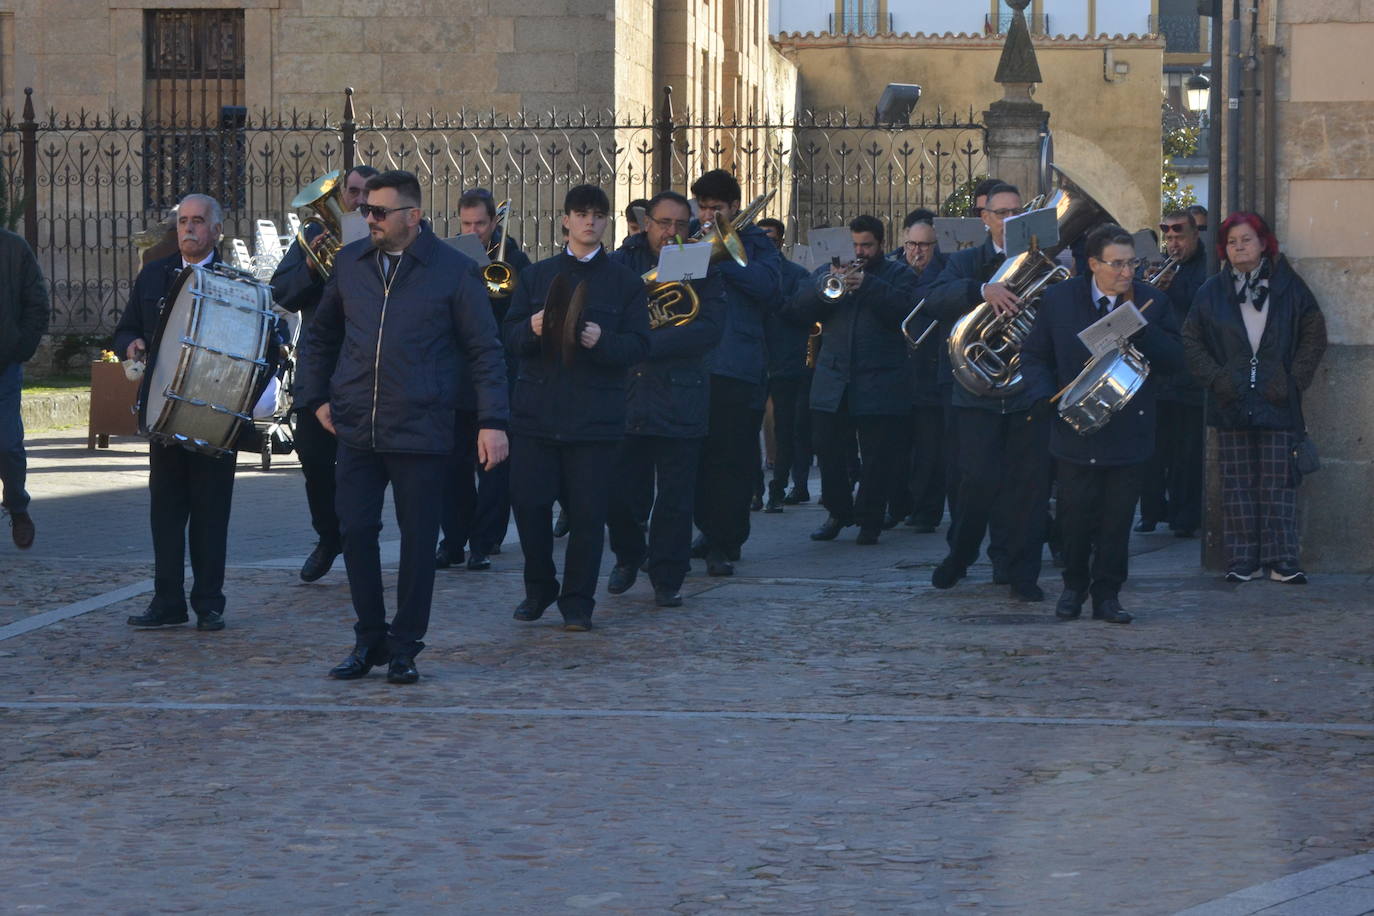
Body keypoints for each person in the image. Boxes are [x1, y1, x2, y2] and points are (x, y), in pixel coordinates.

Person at [297, 169, 509, 684]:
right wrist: (315, 395)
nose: (367, 219)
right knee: (356, 531)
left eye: (378, 212)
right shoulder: (350, 263)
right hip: (357, 426)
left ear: (411, 217)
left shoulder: (455, 271)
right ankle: (368, 637)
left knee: (418, 540)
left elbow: (484, 350)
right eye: (365, 210)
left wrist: (492, 421)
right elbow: (320, 336)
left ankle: (405, 645)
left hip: (422, 425)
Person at [1021, 224, 1186, 624]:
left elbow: (1177, 360)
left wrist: (1141, 331)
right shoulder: (1061, 299)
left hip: (1129, 427)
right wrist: (1044, 396)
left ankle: (1108, 595)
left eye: (1132, 263)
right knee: (1074, 518)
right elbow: (1034, 355)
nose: (1127, 272)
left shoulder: (1152, 301)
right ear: (1093, 264)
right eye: (1117, 264)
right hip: (1074, 428)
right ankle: (1074, 586)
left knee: (1117, 520)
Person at [504, 184, 650, 631]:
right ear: (566, 220)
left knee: (588, 516)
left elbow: (641, 344)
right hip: (536, 412)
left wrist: (603, 341)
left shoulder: (624, 281)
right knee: (529, 509)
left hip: (595, 418)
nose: (590, 221)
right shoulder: (536, 275)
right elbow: (507, 338)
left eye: (598, 214)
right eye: (581, 213)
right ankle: (539, 586)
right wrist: (529, 329)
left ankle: (578, 602)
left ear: (606, 222)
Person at [116, 194, 243, 631]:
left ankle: (209, 603)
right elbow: (126, 327)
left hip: (215, 415)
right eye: (183, 222)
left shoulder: (237, 282)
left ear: (217, 230)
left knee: (211, 514)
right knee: (166, 514)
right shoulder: (154, 274)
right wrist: (129, 345)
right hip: (165, 414)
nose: (188, 229)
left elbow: (266, 339)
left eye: (198, 222)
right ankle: (167, 602)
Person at [1182, 211, 1327, 584]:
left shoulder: (1289, 287)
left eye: (1246, 240)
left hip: (1276, 398)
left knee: (1279, 482)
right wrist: (1217, 380)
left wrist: (1293, 380)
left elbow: (1314, 332)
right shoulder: (1211, 291)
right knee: (1237, 482)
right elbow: (1191, 339)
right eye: (1232, 242)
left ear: (1264, 243)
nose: (1239, 247)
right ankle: (1242, 560)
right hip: (1231, 399)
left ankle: (1282, 560)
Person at [922, 183, 1050, 602]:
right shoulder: (963, 261)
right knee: (975, 481)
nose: (1010, 218)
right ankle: (959, 557)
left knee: (1027, 486)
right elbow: (929, 297)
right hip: (975, 390)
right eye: (1001, 212)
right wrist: (982, 291)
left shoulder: (1043, 261)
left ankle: (1021, 572)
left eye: (1017, 210)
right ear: (986, 218)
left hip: (1025, 389)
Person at [606, 191, 725, 606]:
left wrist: (647, 342)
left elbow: (709, 327)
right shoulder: (621, 263)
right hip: (627, 394)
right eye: (663, 223)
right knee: (619, 493)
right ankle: (627, 555)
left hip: (681, 393)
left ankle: (667, 579)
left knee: (675, 499)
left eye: (680, 224)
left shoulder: (702, 265)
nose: (671, 232)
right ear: (647, 222)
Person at [271, 164, 378, 583]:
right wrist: (313, 269)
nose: (357, 201)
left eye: (367, 194)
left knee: (362, 465)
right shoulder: (315, 237)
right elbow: (282, 292)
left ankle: (356, 540)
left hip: (368, 370)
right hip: (320, 367)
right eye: (352, 192)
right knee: (314, 460)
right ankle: (328, 537)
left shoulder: (387, 238)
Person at [787, 215, 918, 545]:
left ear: (881, 245)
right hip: (833, 377)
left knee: (877, 457)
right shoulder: (827, 272)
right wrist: (824, 287)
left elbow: (906, 310)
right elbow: (798, 310)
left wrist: (869, 286)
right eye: (855, 245)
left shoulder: (898, 273)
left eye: (867, 245)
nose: (859, 252)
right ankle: (837, 511)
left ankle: (870, 520)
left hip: (879, 378)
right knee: (827, 449)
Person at [434, 187, 533, 572]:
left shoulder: (516, 260)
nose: (474, 231)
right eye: (467, 224)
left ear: (494, 222)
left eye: (481, 223)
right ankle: (453, 540)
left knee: (493, 467)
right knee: (452, 466)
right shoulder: (451, 259)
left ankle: (484, 540)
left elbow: (519, 313)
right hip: (456, 375)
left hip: (496, 374)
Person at [689, 169, 781, 576]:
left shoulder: (758, 242)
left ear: (734, 207)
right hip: (695, 361)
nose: (708, 215)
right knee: (696, 458)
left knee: (733, 460)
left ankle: (726, 542)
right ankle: (708, 531)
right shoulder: (687, 235)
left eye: (717, 207)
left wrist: (719, 257)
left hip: (739, 365)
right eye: (703, 207)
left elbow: (770, 288)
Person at [1135, 209, 1208, 537]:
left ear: (1195, 235)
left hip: (1192, 371)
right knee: (1153, 449)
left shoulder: (1207, 267)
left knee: (1188, 453)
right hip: (1160, 370)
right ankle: (1150, 512)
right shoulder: (1160, 264)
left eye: (1180, 236)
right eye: (1169, 237)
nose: (1173, 244)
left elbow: (1202, 307)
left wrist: (1170, 289)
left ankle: (1184, 518)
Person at [895, 208, 948, 532]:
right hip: (899, 374)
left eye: (924, 245)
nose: (917, 251)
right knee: (901, 449)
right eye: (912, 244)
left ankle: (927, 510)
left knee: (931, 450)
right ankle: (902, 504)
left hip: (931, 372)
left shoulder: (945, 273)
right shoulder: (893, 268)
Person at [758, 217, 813, 512]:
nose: (767, 243)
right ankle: (755, 490)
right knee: (747, 428)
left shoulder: (797, 274)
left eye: (772, 239)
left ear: (781, 242)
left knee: (785, 428)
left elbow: (802, 311)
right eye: (761, 238)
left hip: (786, 360)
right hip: (756, 358)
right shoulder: (749, 272)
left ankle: (778, 488)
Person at [0, 226, 50, 549]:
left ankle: (17, 507)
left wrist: (19, 346)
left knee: (7, 443)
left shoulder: (14, 249)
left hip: (4, 364)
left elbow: (38, 304)